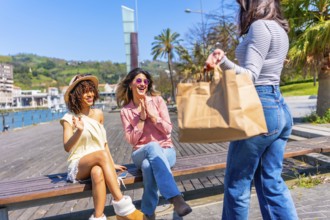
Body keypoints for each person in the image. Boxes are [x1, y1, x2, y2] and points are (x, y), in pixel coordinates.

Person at [205, 0, 298, 219]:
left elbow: (250, 76)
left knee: (237, 182)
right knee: (270, 181)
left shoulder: (260, 27)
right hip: (278, 108)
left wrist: (223, 60)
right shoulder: (279, 29)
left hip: (259, 105)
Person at [60, 74, 144, 220]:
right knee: (100, 157)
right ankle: (124, 208)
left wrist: (110, 164)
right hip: (79, 165)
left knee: (98, 172)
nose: (90, 94)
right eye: (85, 91)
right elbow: (67, 147)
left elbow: (103, 144)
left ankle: (98, 216)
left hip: (99, 160)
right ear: (76, 95)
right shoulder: (69, 118)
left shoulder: (98, 114)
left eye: (91, 90)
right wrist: (79, 130)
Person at [116, 68, 192, 219]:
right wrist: (142, 120)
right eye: (138, 80)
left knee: (147, 165)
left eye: (146, 81)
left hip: (166, 150)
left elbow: (168, 130)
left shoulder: (157, 101)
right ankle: (176, 198)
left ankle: (148, 213)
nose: (143, 83)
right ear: (130, 84)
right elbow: (131, 140)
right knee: (152, 146)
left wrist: (153, 117)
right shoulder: (126, 111)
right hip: (140, 151)